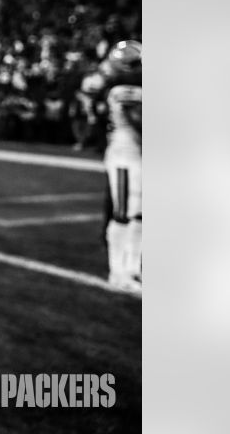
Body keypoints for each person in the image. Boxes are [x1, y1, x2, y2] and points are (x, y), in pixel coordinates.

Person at [100, 40, 142, 291]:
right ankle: (117, 272)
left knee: (141, 216)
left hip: (140, 156)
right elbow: (137, 121)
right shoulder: (121, 89)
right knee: (123, 215)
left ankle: (133, 268)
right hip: (125, 156)